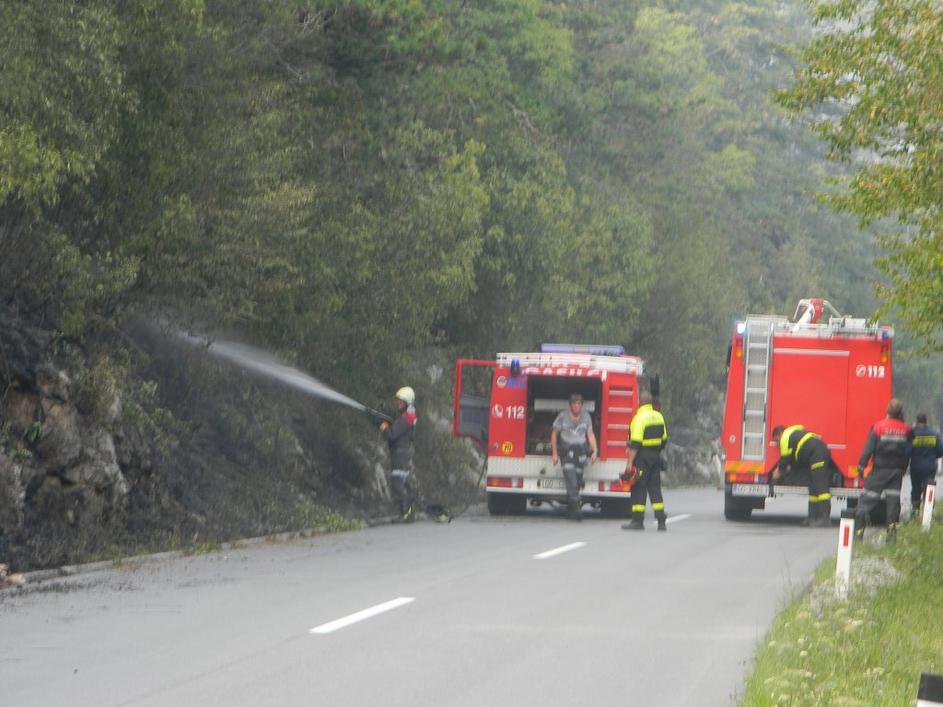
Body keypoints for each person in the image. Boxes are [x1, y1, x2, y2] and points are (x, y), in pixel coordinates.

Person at [855, 398, 913, 539]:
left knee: (866, 502)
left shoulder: (878, 427)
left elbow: (868, 449)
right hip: (896, 472)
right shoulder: (907, 430)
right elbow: (908, 452)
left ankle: (858, 534)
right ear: (900, 412)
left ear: (887, 410)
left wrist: (861, 467)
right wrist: (904, 468)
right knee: (893, 503)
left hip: (879, 471)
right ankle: (891, 536)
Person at [769, 424, 837, 527]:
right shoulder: (793, 435)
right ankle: (812, 518)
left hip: (817, 454)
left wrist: (778, 471)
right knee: (812, 487)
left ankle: (825, 519)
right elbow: (795, 456)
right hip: (815, 455)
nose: (777, 444)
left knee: (820, 486)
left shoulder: (785, 437)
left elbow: (785, 459)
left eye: (776, 441)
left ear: (778, 436)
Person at [621, 391, 668, 531]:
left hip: (642, 458)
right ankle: (661, 521)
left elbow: (635, 443)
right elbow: (664, 439)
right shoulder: (659, 416)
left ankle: (637, 521)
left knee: (639, 488)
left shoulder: (638, 418)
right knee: (655, 489)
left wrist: (630, 463)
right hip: (655, 457)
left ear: (640, 402)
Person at [551, 392, 598, 521]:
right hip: (567, 451)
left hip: (581, 452)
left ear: (582, 405)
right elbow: (554, 434)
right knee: (571, 479)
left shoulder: (586, 417)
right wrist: (554, 453)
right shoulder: (562, 417)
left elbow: (590, 434)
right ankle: (578, 511)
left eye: (579, 404)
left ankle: (570, 511)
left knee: (577, 481)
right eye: (574, 404)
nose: (577, 406)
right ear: (570, 405)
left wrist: (595, 451)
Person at [380, 386, 418, 521]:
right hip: (403, 455)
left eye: (401, 402)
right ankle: (409, 512)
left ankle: (406, 513)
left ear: (407, 403)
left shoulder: (406, 418)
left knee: (398, 484)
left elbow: (392, 435)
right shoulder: (407, 417)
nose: (398, 403)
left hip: (400, 456)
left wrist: (384, 427)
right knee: (404, 485)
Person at [909, 413, 943, 518]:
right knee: (929, 489)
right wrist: (933, 456)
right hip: (929, 467)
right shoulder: (934, 433)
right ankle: (927, 515)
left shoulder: (912, 434)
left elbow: (907, 451)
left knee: (915, 489)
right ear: (926, 421)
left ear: (917, 421)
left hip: (915, 467)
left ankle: (915, 512)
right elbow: (940, 451)